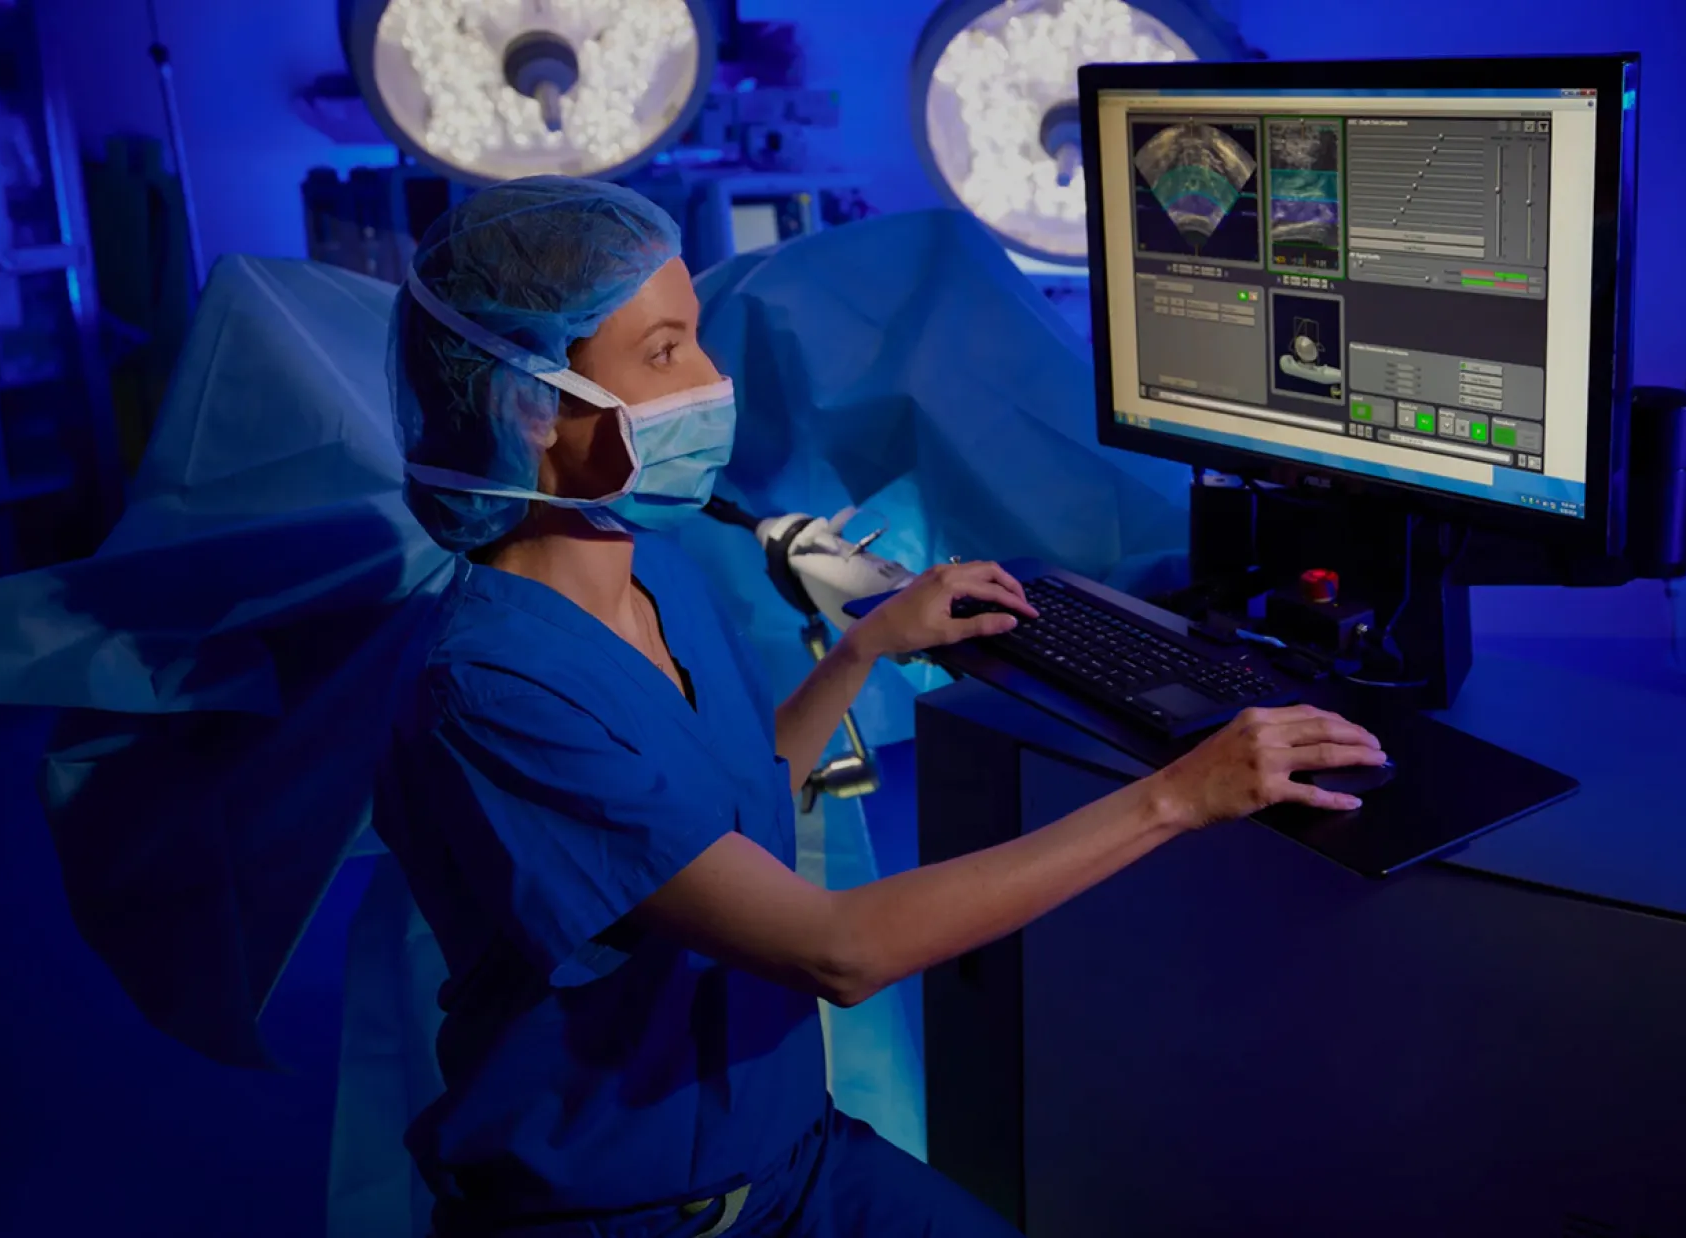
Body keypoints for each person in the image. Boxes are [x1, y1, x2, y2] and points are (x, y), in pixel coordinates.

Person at [375, 176, 1386, 1238]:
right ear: (531, 403)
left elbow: (724, 793)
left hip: (792, 1158)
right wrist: (1175, 798)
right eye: (667, 352)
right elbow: (834, 949)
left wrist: (866, 644)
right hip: (635, 1211)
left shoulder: (647, 572)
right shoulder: (489, 692)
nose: (715, 381)